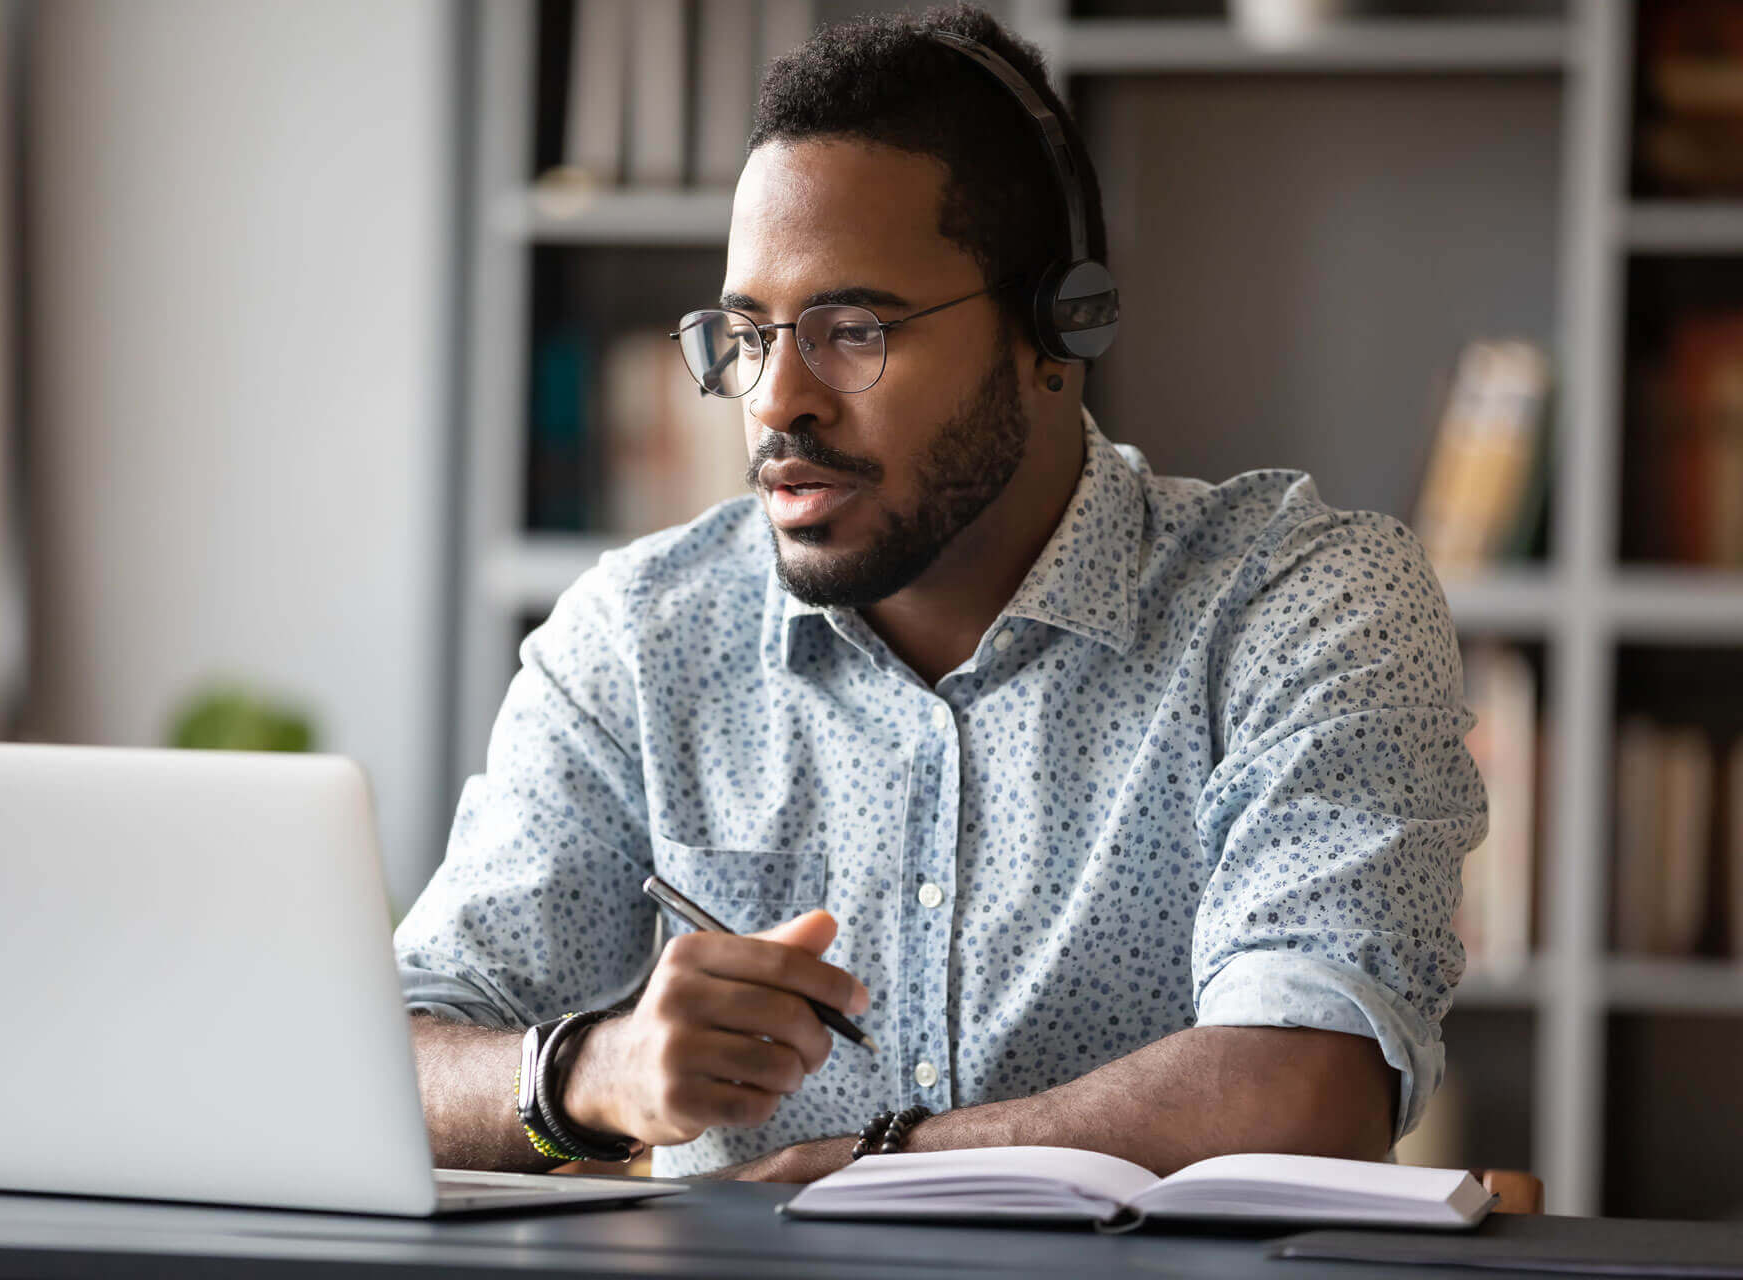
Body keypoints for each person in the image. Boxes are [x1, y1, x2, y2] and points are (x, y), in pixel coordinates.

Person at [395, 2, 1485, 1182]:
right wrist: (588, 1073)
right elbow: (388, 1056)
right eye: (748, 334)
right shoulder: (642, 637)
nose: (774, 400)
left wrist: (880, 1162)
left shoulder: (1300, 601)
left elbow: (1307, 1086)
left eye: (852, 328)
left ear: (1057, 328)